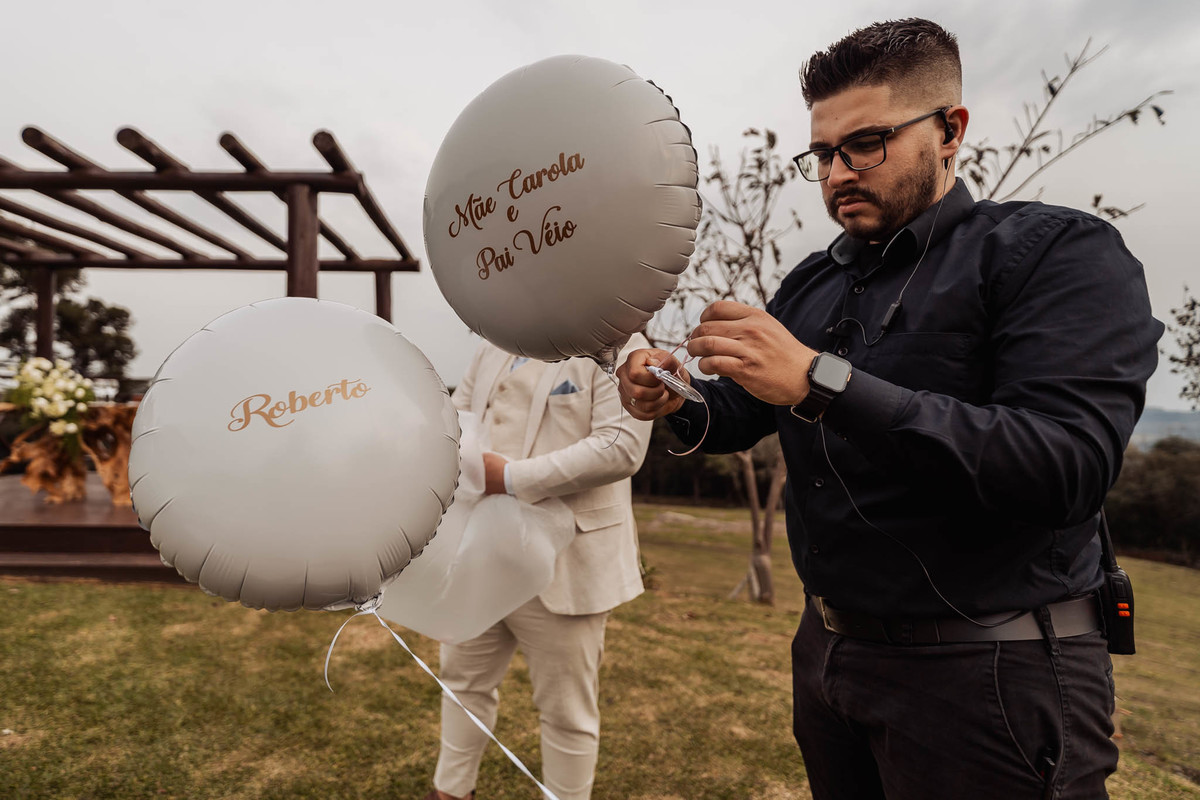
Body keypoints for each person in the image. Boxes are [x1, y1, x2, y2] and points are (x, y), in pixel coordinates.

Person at [616, 18, 1162, 800]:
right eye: (823, 154)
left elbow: (1064, 465)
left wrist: (817, 379)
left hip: (990, 675)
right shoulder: (812, 281)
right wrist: (671, 393)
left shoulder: (1053, 254)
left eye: (865, 143)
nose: (838, 172)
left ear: (950, 130)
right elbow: (741, 410)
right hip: (832, 658)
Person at [424, 336, 652, 800]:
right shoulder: (494, 346)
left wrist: (507, 478)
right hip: (483, 553)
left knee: (567, 711)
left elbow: (621, 447)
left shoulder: (622, 346)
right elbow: (458, 422)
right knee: (463, 683)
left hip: (568, 560)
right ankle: (450, 793)